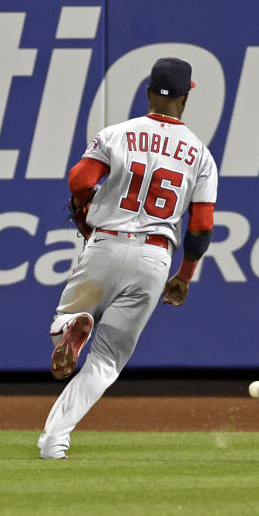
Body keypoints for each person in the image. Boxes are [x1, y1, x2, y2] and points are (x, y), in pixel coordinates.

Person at [37, 57, 218, 459]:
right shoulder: (200, 156)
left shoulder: (117, 134)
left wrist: (86, 209)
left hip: (106, 242)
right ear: (187, 98)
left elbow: (79, 180)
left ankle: (74, 324)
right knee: (106, 361)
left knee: (63, 323)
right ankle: (54, 442)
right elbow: (201, 226)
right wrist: (185, 275)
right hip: (154, 258)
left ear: (149, 92)